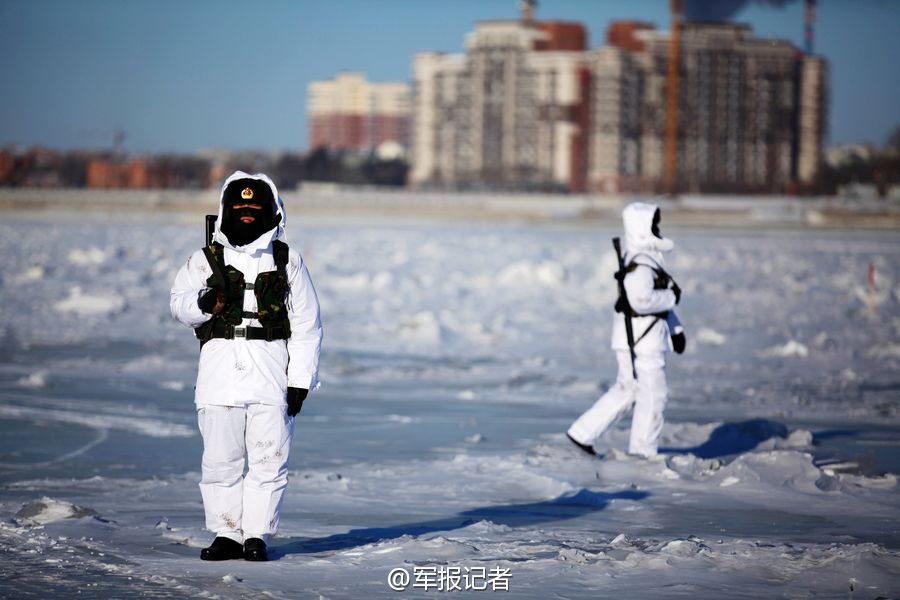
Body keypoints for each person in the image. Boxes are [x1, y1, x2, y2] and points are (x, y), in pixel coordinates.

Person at [170, 171, 322, 561]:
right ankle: (226, 532)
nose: (247, 213)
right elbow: (178, 303)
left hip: (272, 369)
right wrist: (203, 303)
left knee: (269, 459)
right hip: (219, 370)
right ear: (225, 210)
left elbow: (307, 325)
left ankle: (256, 535)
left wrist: (300, 381)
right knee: (220, 460)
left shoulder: (288, 261)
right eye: (239, 207)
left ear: (273, 211)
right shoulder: (205, 259)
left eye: (256, 207)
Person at [567, 202, 685, 458]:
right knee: (653, 394)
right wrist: (671, 298)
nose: (657, 229)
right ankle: (643, 453)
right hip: (642, 340)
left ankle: (583, 432)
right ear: (643, 229)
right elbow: (641, 301)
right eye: (653, 224)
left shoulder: (642, 259)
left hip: (637, 337)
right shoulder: (642, 263)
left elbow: (655, 301)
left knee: (629, 388)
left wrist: (676, 330)